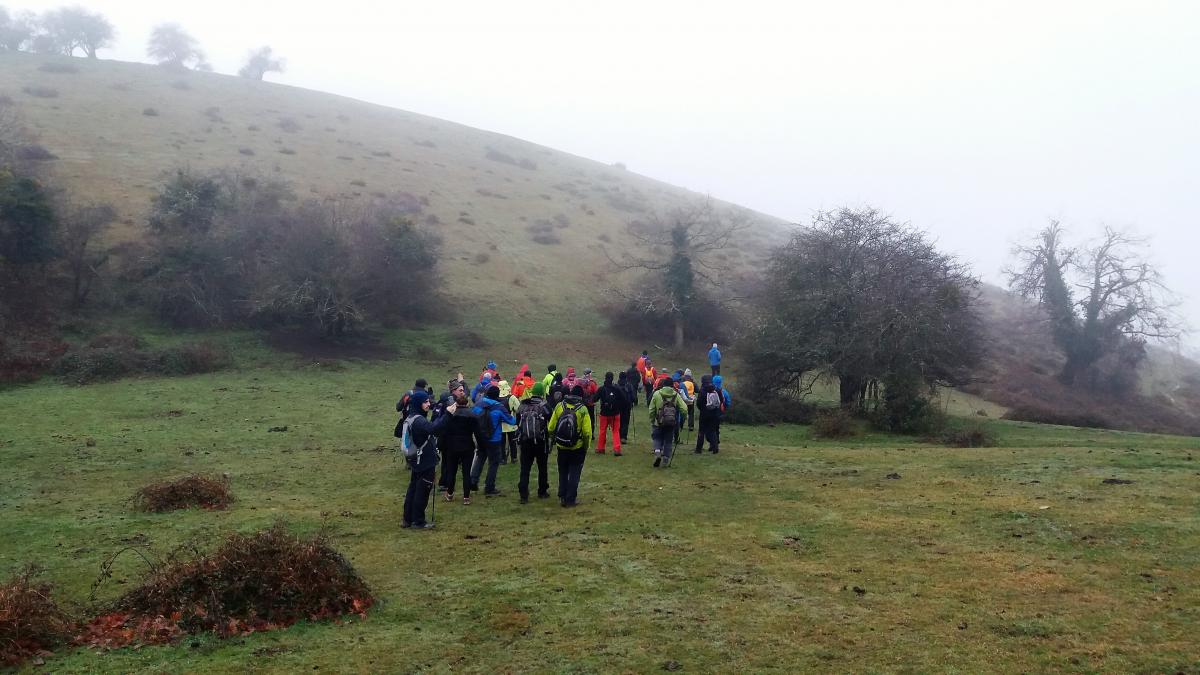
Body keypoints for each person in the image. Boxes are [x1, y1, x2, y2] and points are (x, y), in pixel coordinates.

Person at [400, 390, 455, 529]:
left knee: (413, 488)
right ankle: (418, 521)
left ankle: (407, 519)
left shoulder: (411, 417)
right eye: (425, 402)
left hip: (416, 460)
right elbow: (435, 429)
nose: (428, 404)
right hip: (424, 461)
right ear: (418, 403)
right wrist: (448, 413)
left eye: (428, 401)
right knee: (422, 490)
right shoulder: (419, 420)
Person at [469, 385, 517, 496]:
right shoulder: (499, 407)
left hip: (480, 437)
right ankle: (489, 487)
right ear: (497, 395)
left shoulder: (479, 403)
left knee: (480, 458)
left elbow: (472, 416)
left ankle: (473, 481)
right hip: (494, 439)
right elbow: (512, 421)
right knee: (494, 462)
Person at [548, 385, 592, 507]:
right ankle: (570, 499)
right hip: (576, 447)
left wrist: (554, 439)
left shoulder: (559, 406)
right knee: (574, 473)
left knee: (562, 471)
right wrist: (586, 446)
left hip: (561, 446)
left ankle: (562, 496)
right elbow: (587, 432)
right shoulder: (582, 409)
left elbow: (551, 427)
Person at [440, 390, 485, 504]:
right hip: (467, 446)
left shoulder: (451, 415)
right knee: (466, 472)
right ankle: (466, 497)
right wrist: (481, 446)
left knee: (451, 471)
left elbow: (444, 431)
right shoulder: (472, 415)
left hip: (452, 446)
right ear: (467, 403)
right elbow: (478, 433)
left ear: (456, 403)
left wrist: (441, 445)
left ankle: (450, 494)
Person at [515, 382, 552, 503]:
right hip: (541, 441)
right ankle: (542, 491)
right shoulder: (545, 405)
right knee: (542, 467)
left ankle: (523, 494)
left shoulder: (523, 405)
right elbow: (551, 422)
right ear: (542, 393)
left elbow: (517, 421)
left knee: (525, 468)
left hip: (525, 441)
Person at [649, 376, 683, 467]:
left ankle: (657, 453)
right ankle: (665, 460)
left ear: (663, 385)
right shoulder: (676, 395)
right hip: (671, 422)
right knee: (668, 441)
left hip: (658, 422)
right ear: (672, 385)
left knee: (657, 438)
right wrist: (683, 418)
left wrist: (652, 420)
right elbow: (684, 408)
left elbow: (651, 409)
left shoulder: (656, 394)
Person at [595, 371, 627, 455]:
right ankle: (617, 449)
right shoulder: (616, 388)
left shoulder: (601, 389)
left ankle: (601, 448)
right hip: (615, 414)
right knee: (616, 431)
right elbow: (624, 399)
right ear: (612, 378)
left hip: (604, 413)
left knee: (602, 431)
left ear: (605, 378)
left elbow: (594, 399)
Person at [694, 374, 722, 454]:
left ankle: (698, 449)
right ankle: (715, 446)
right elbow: (721, 400)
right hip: (714, 413)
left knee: (701, 431)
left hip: (704, 413)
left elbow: (699, 403)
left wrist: (703, 409)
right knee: (712, 430)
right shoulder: (717, 389)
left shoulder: (702, 390)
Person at [497, 379, 521, 463]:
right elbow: (518, 409)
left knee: (501, 443)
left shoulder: (496, 397)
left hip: (499, 424)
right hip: (510, 422)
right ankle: (514, 458)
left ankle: (502, 459)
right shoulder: (511, 397)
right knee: (512, 442)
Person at [617, 370, 637, 445]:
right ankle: (624, 437)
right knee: (625, 422)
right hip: (627, 406)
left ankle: (618, 436)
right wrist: (634, 401)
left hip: (618, 406)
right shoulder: (629, 385)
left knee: (619, 421)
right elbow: (633, 397)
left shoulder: (617, 385)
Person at [580, 368, 599, 442]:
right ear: (589, 374)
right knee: (591, 419)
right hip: (590, 404)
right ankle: (591, 434)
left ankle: (582, 433)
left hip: (582, 404)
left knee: (582, 419)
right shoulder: (592, 382)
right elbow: (596, 392)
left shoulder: (580, 381)